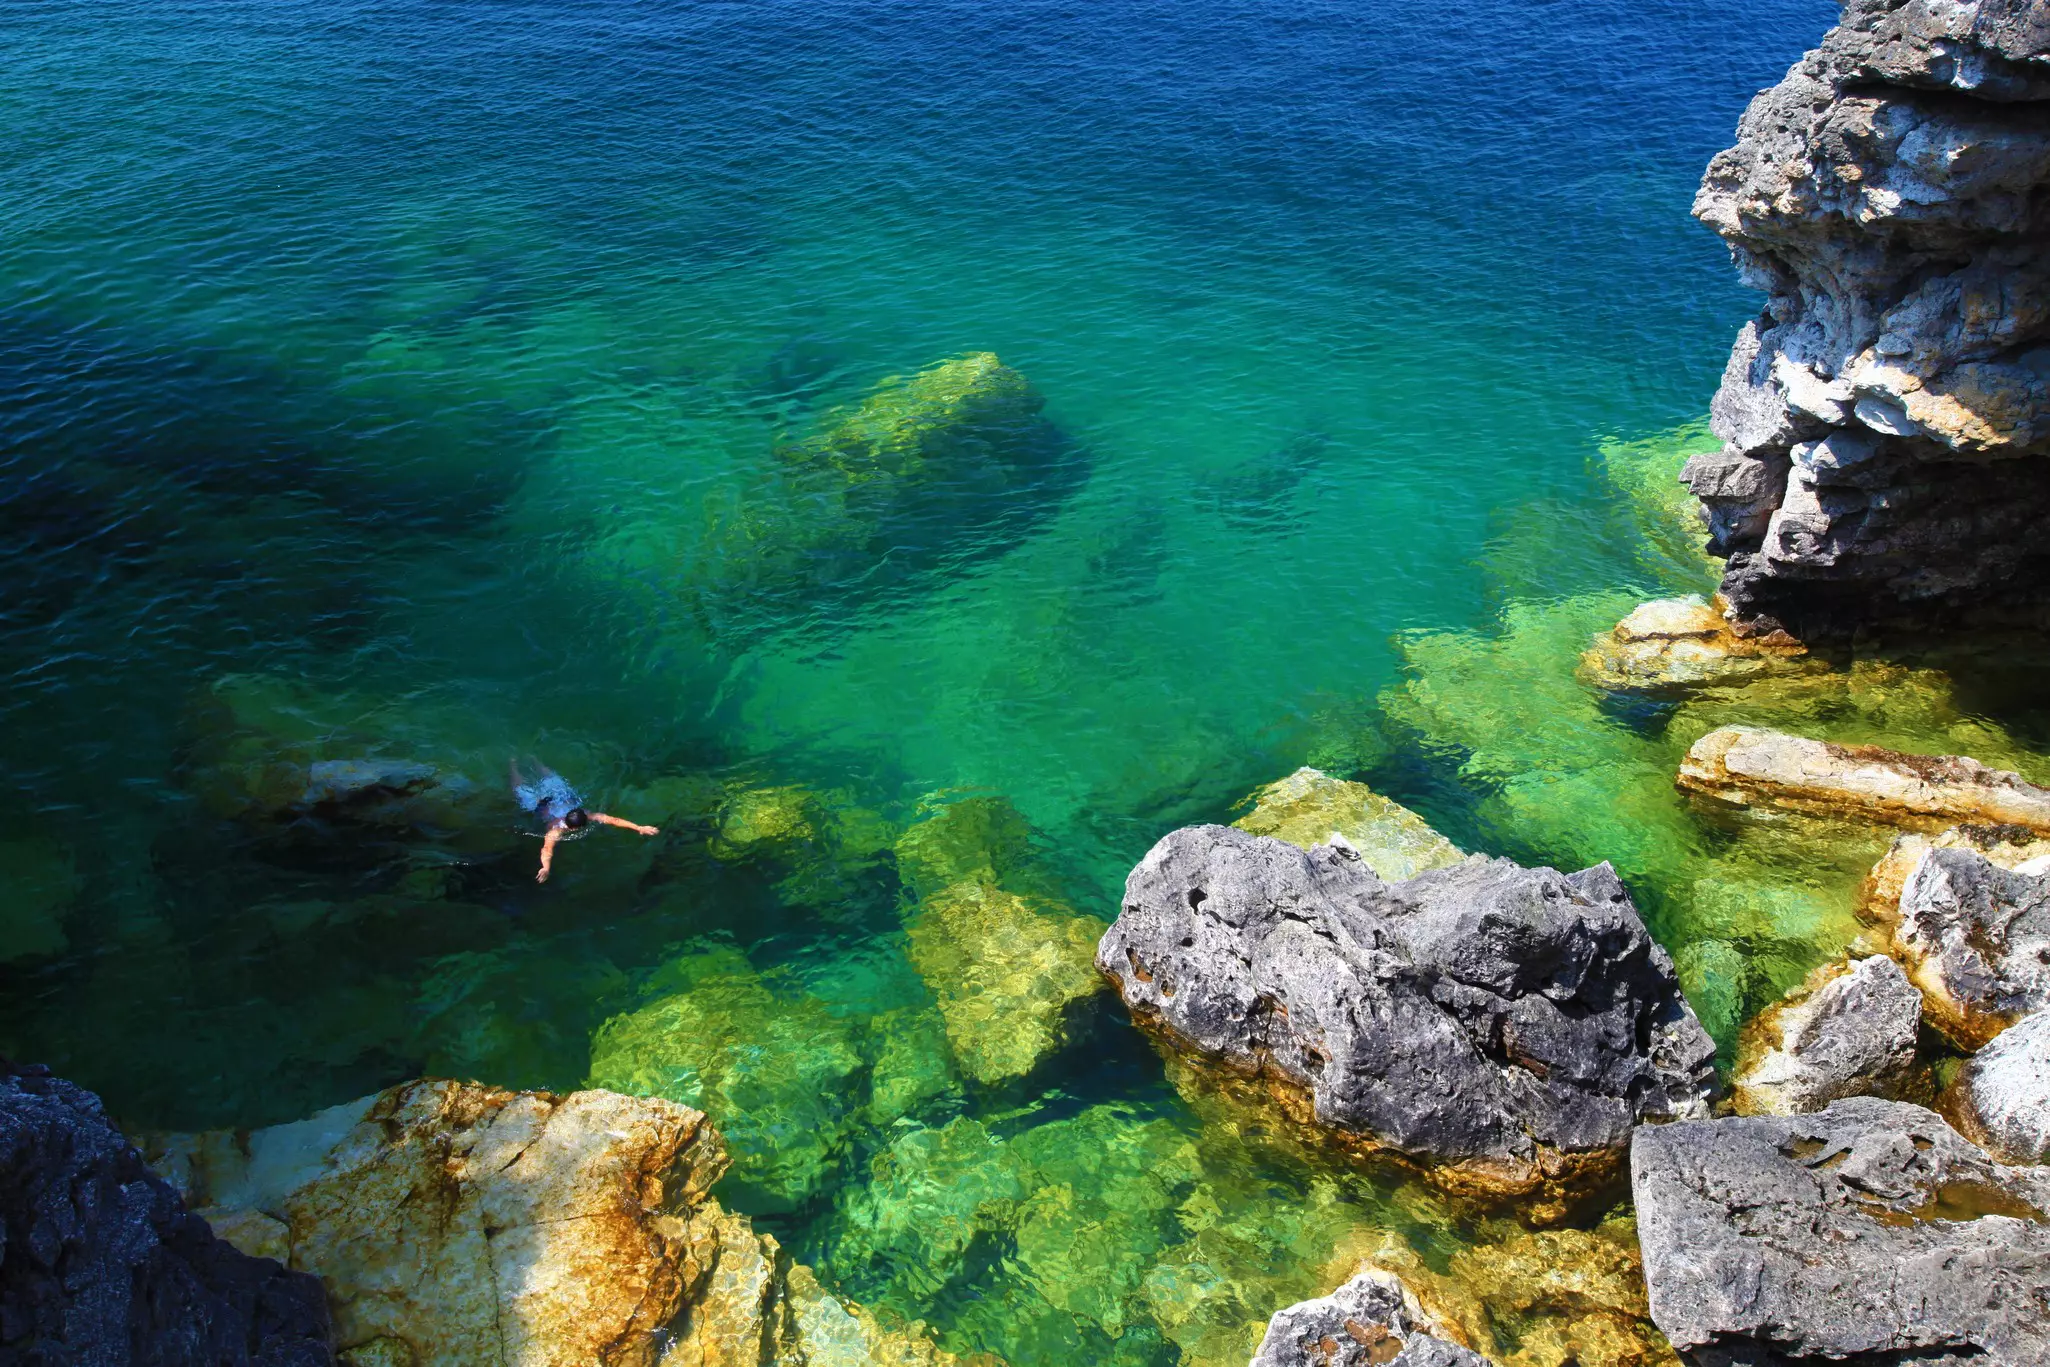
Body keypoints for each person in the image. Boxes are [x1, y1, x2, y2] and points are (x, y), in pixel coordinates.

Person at [510, 759, 658, 883]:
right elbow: (547, 850)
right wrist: (546, 867)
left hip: (554, 801)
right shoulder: (556, 830)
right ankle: (525, 762)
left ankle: (515, 763)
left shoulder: (566, 823)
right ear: (575, 827)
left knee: (531, 786)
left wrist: (639, 827)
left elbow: (612, 819)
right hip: (544, 804)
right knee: (526, 787)